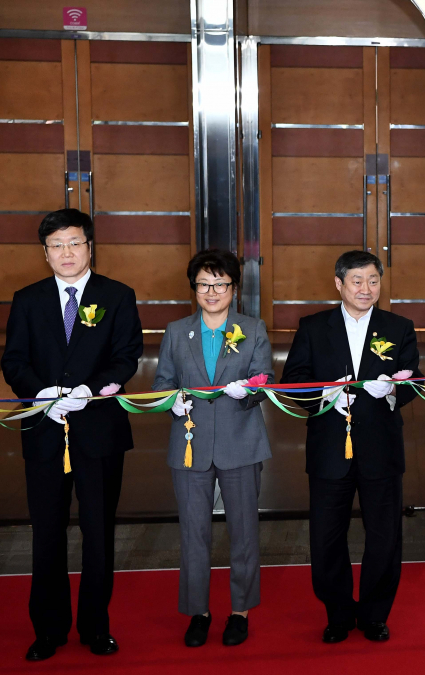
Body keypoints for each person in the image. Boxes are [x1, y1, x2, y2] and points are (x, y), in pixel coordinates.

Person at [2, 208, 143, 660]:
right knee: (47, 532)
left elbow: (127, 356)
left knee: (98, 532)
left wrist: (90, 389)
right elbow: (14, 361)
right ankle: (48, 629)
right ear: (45, 253)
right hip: (44, 431)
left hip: (98, 430)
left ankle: (96, 627)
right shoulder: (27, 299)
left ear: (90, 247)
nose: (66, 252)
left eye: (74, 243)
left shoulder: (116, 295)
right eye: (57, 245)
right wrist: (40, 392)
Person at [281, 250, 420, 644]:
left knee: (385, 536)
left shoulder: (399, 327)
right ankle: (338, 613)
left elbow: (415, 378)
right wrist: (324, 394)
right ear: (339, 284)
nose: (366, 288)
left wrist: (392, 390)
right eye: (357, 281)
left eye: (373, 280)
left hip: (381, 448)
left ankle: (375, 614)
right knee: (326, 537)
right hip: (330, 448)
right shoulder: (313, 327)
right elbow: (294, 380)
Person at [151, 249, 273, 647]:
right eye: (204, 284)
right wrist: (171, 400)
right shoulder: (176, 331)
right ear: (194, 288)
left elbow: (266, 380)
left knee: (244, 533)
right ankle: (197, 612)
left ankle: (240, 612)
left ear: (234, 288)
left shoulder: (252, 328)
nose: (212, 291)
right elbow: (162, 383)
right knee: (193, 534)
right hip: (190, 444)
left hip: (241, 443)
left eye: (220, 284)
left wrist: (249, 391)